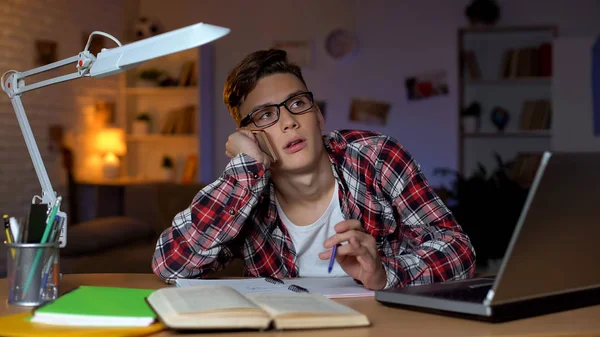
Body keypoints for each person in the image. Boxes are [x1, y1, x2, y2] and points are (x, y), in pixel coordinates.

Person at [152, 49, 476, 290]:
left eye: (296, 104)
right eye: (266, 115)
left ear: (317, 116)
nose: (290, 121)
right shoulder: (244, 189)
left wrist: (385, 272)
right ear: (248, 137)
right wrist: (244, 170)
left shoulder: (376, 157)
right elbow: (171, 265)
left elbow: (458, 249)